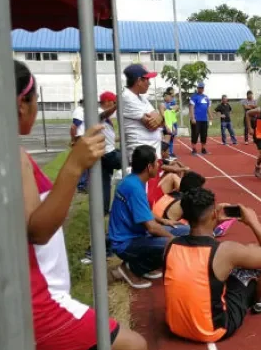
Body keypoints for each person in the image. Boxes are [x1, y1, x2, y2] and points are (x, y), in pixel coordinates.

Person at [13, 60, 170, 350]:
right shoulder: (12, 157)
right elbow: (39, 230)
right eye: (34, 102)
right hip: (39, 300)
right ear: (19, 107)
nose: (34, 109)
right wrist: (73, 166)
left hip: (26, 293)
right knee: (132, 349)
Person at [164, 188, 261, 343]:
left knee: (221, 269)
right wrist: (254, 222)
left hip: (175, 326)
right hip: (213, 329)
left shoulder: (170, 244)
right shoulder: (225, 251)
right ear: (214, 214)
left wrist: (213, 220)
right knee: (258, 253)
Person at [108, 146, 190, 289]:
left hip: (136, 235)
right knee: (176, 243)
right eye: (156, 162)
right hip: (126, 243)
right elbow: (151, 228)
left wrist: (164, 220)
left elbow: (143, 211)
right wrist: (171, 238)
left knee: (186, 230)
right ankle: (131, 270)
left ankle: (143, 266)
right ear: (149, 166)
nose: (159, 165)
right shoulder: (134, 187)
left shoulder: (134, 181)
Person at [79, 91, 124, 265]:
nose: (113, 106)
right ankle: (95, 249)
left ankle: (105, 246)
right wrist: (117, 105)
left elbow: (111, 139)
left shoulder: (107, 122)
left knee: (105, 205)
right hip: (106, 157)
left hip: (108, 159)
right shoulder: (96, 114)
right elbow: (103, 114)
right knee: (101, 208)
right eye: (111, 102)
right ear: (106, 102)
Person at [151, 171, 237, 237]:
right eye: (201, 188)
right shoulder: (184, 203)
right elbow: (199, 223)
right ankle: (217, 231)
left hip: (158, 223)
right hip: (163, 229)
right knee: (199, 229)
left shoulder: (173, 194)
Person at [121, 64, 166, 161]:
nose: (149, 83)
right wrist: (161, 114)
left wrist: (160, 117)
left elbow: (161, 122)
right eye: (147, 79)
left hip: (151, 157)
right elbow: (151, 124)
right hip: (141, 159)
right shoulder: (127, 97)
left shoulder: (141, 98)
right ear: (139, 81)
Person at [70, 99, 89, 192]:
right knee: (84, 163)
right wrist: (73, 140)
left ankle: (85, 184)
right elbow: (73, 127)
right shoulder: (79, 111)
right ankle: (82, 185)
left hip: (83, 137)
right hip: (80, 138)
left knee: (87, 163)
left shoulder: (83, 111)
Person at [190, 82, 212, 155]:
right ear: (197, 88)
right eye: (200, 87)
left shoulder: (206, 97)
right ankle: (194, 149)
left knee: (204, 134)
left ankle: (203, 149)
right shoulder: (194, 97)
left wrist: (210, 116)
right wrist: (192, 118)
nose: (201, 89)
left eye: (202, 88)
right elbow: (191, 107)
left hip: (204, 119)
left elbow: (208, 108)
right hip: (196, 119)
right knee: (195, 134)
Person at [163, 89, 178, 158]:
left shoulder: (173, 102)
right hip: (168, 124)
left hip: (173, 122)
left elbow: (176, 108)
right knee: (167, 139)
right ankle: (167, 153)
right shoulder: (164, 105)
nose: (171, 97)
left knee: (171, 138)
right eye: (170, 95)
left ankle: (170, 152)